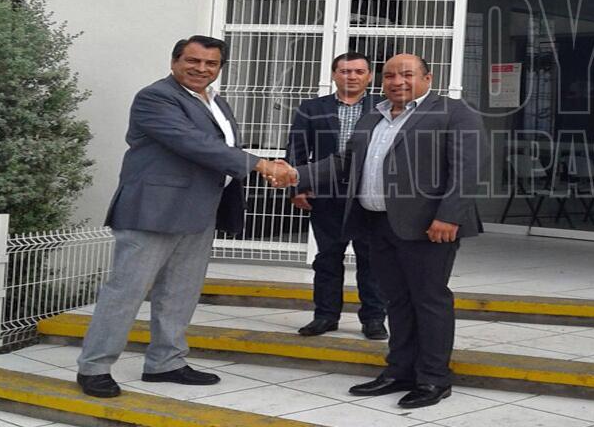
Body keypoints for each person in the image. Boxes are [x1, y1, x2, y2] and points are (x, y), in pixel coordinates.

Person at [75, 35, 296, 398]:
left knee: (180, 293)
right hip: (153, 211)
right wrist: (260, 164)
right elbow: (193, 143)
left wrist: (262, 166)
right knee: (126, 291)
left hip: (200, 210)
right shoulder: (156, 97)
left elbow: (223, 148)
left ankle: (166, 362)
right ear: (174, 61)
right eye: (193, 61)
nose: (201, 69)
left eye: (211, 63)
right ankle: (94, 367)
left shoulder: (216, 101)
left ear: (220, 68)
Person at [294, 53, 486, 409]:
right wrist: (295, 175)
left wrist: (449, 216)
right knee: (397, 301)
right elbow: (345, 162)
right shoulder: (374, 116)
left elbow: (468, 169)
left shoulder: (453, 112)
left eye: (407, 74)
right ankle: (399, 371)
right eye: (390, 76)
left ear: (428, 78)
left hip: (429, 227)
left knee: (428, 301)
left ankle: (433, 378)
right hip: (377, 224)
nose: (397, 82)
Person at [286, 52, 387, 340]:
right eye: (344, 71)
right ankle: (325, 316)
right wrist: (297, 187)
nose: (351, 76)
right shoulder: (312, 108)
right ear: (333, 75)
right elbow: (297, 148)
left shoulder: (384, 108)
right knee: (327, 258)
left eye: (358, 71)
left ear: (369, 76)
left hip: (368, 194)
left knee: (372, 260)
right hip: (326, 193)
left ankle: (374, 319)